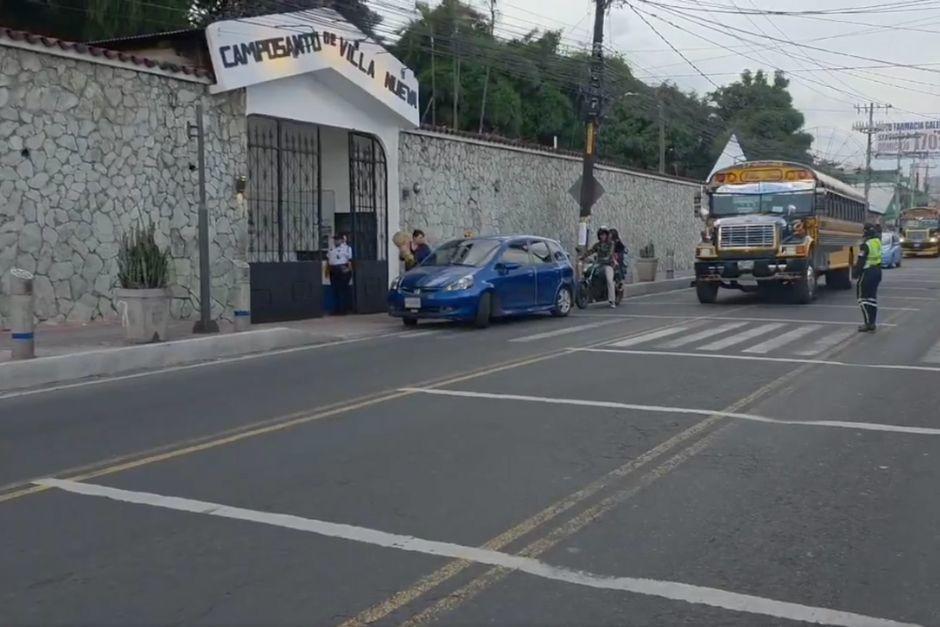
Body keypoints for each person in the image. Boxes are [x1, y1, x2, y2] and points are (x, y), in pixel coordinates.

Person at [855, 223, 883, 333]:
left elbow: (861, 260)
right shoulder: (877, 242)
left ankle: (868, 323)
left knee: (862, 298)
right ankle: (873, 322)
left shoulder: (866, 245)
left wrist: (856, 273)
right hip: (877, 271)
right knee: (872, 298)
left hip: (867, 272)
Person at [581, 226, 617, 308]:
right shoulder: (597, 245)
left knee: (609, 279)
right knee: (588, 272)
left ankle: (612, 300)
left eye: (604, 235)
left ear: (607, 235)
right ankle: (591, 296)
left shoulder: (611, 244)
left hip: (608, 265)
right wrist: (583, 256)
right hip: (598, 264)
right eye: (601, 235)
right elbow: (591, 251)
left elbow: (610, 254)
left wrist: (605, 259)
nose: (602, 236)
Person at [328, 234, 353, 315]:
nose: (336, 241)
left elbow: (350, 260)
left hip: (343, 269)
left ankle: (343, 310)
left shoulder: (347, 248)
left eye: (338, 239)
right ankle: (336, 309)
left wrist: (348, 269)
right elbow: (329, 258)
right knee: (335, 290)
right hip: (333, 270)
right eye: (335, 239)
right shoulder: (331, 248)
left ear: (342, 240)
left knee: (342, 290)